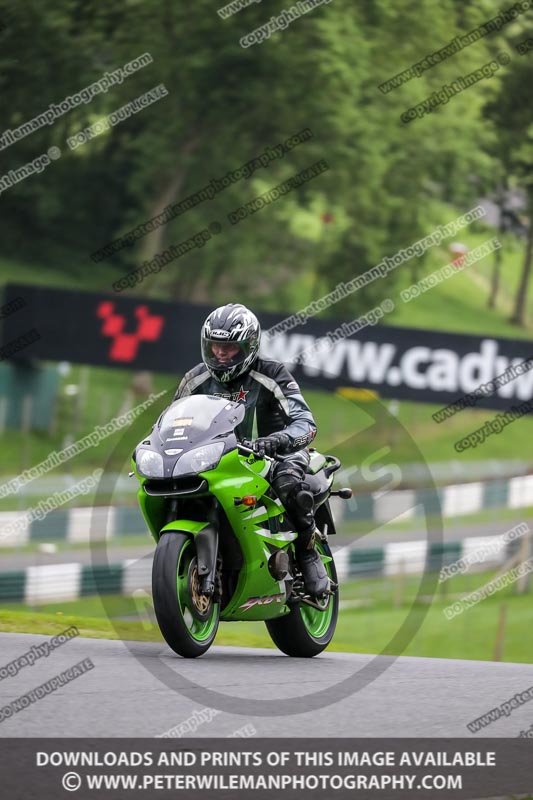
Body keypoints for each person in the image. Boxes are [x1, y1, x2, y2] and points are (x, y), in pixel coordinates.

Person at [173, 302, 330, 596]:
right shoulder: (194, 379)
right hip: (217, 459)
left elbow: (306, 422)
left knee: (287, 481)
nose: (220, 353)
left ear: (249, 346)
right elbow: (172, 422)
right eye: (215, 346)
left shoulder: (272, 373)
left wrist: (278, 440)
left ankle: (309, 553)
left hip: (275, 454)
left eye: (229, 347)